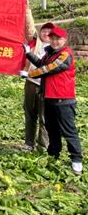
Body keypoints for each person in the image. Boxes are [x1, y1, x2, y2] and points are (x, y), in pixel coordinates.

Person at [24, 26, 83, 175]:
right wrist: (28, 53)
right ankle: (53, 154)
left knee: (69, 131)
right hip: (49, 98)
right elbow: (41, 64)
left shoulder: (65, 54)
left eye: (58, 39)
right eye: (53, 38)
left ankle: (76, 159)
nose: (55, 41)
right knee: (52, 129)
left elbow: (49, 68)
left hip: (64, 99)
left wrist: (29, 74)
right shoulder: (50, 53)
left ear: (64, 40)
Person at [21, 22, 53, 151]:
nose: (46, 33)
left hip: (47, 86)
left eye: (49, 31)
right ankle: (29, 143)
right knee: (30, 113)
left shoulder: (56, 49)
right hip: (31, 84)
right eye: (44, 31)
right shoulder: (35, 43)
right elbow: (28, 27)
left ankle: (43, 146)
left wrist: (30, 73)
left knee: (44, 117)